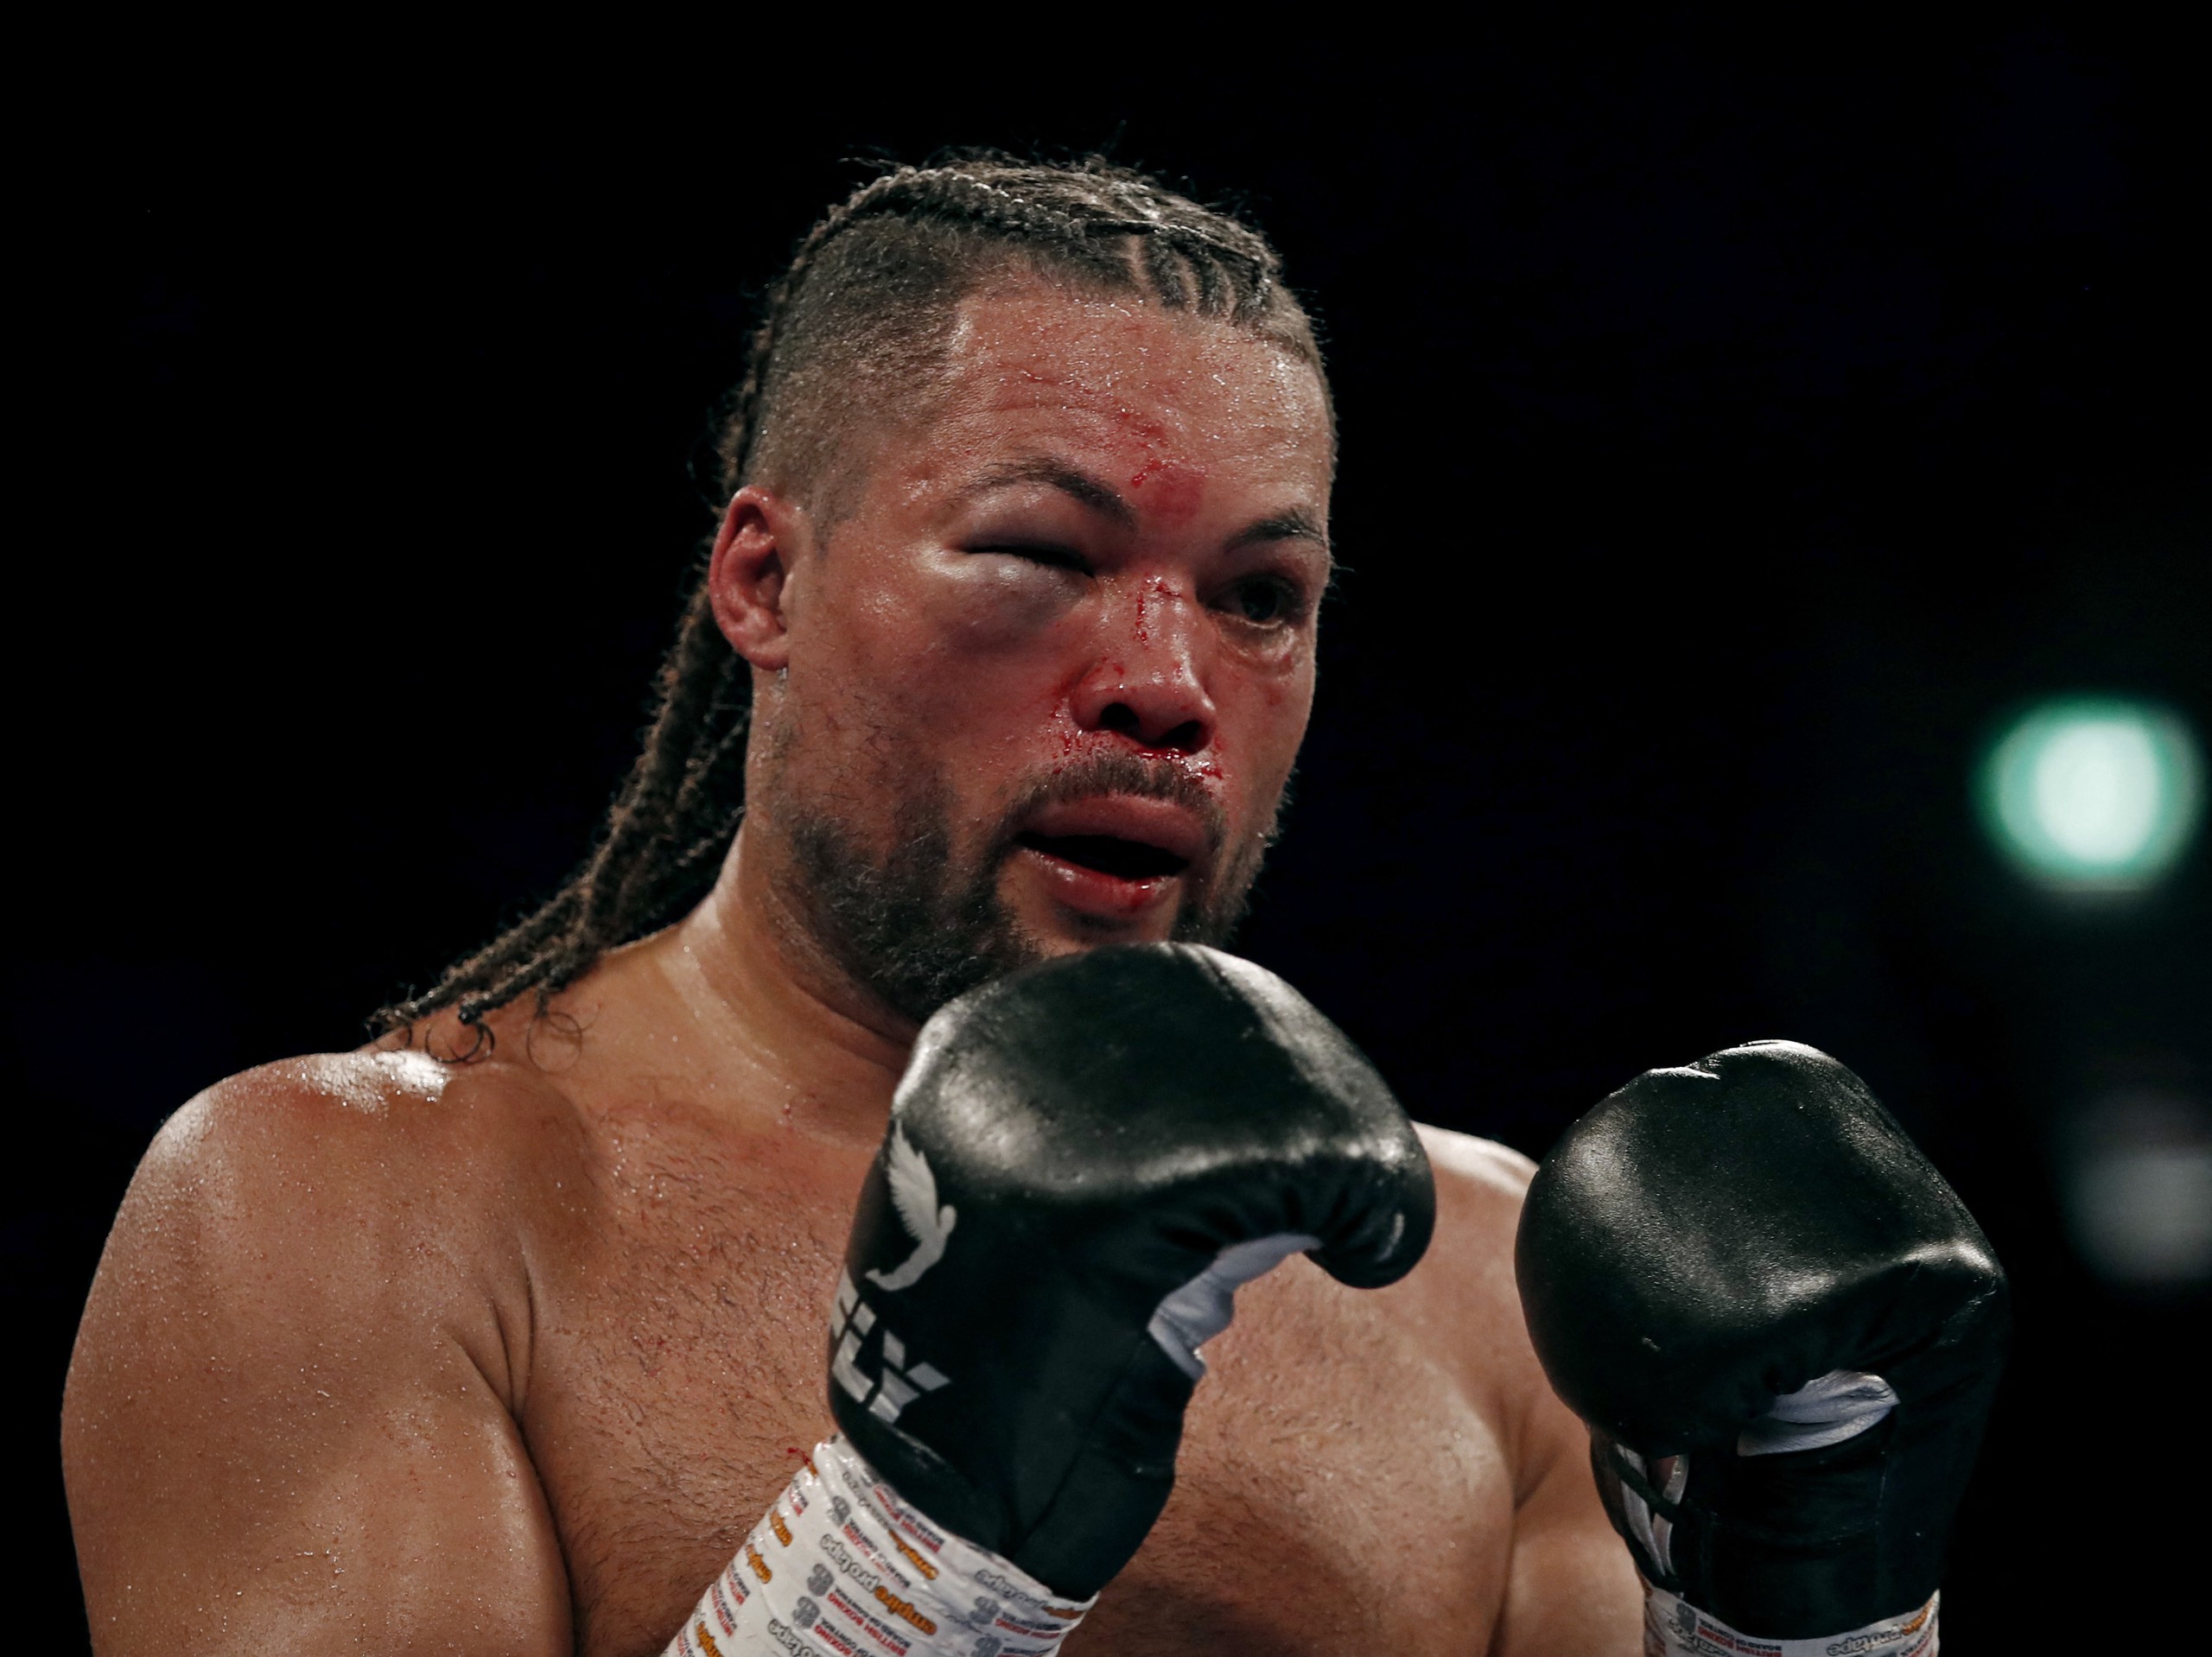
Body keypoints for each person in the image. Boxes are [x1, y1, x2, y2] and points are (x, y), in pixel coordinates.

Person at [64, 157, 1999, 1657]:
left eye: (1259, 598)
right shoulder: (354, 1212)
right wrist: (923, 1533)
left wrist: (1810, 1621)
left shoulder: (1491, 1289)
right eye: (1041, 554)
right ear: (763, 580)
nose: (1167, 682)